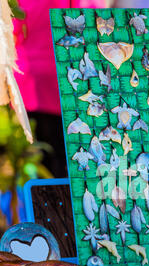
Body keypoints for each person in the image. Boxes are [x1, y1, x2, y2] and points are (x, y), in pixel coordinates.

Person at [13, 0, 106, 178]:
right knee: (70, 158)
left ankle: (49, 202)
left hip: (32, 85)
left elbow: (14, 31)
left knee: (42, 160)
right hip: (65, 84)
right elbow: (97, 24)